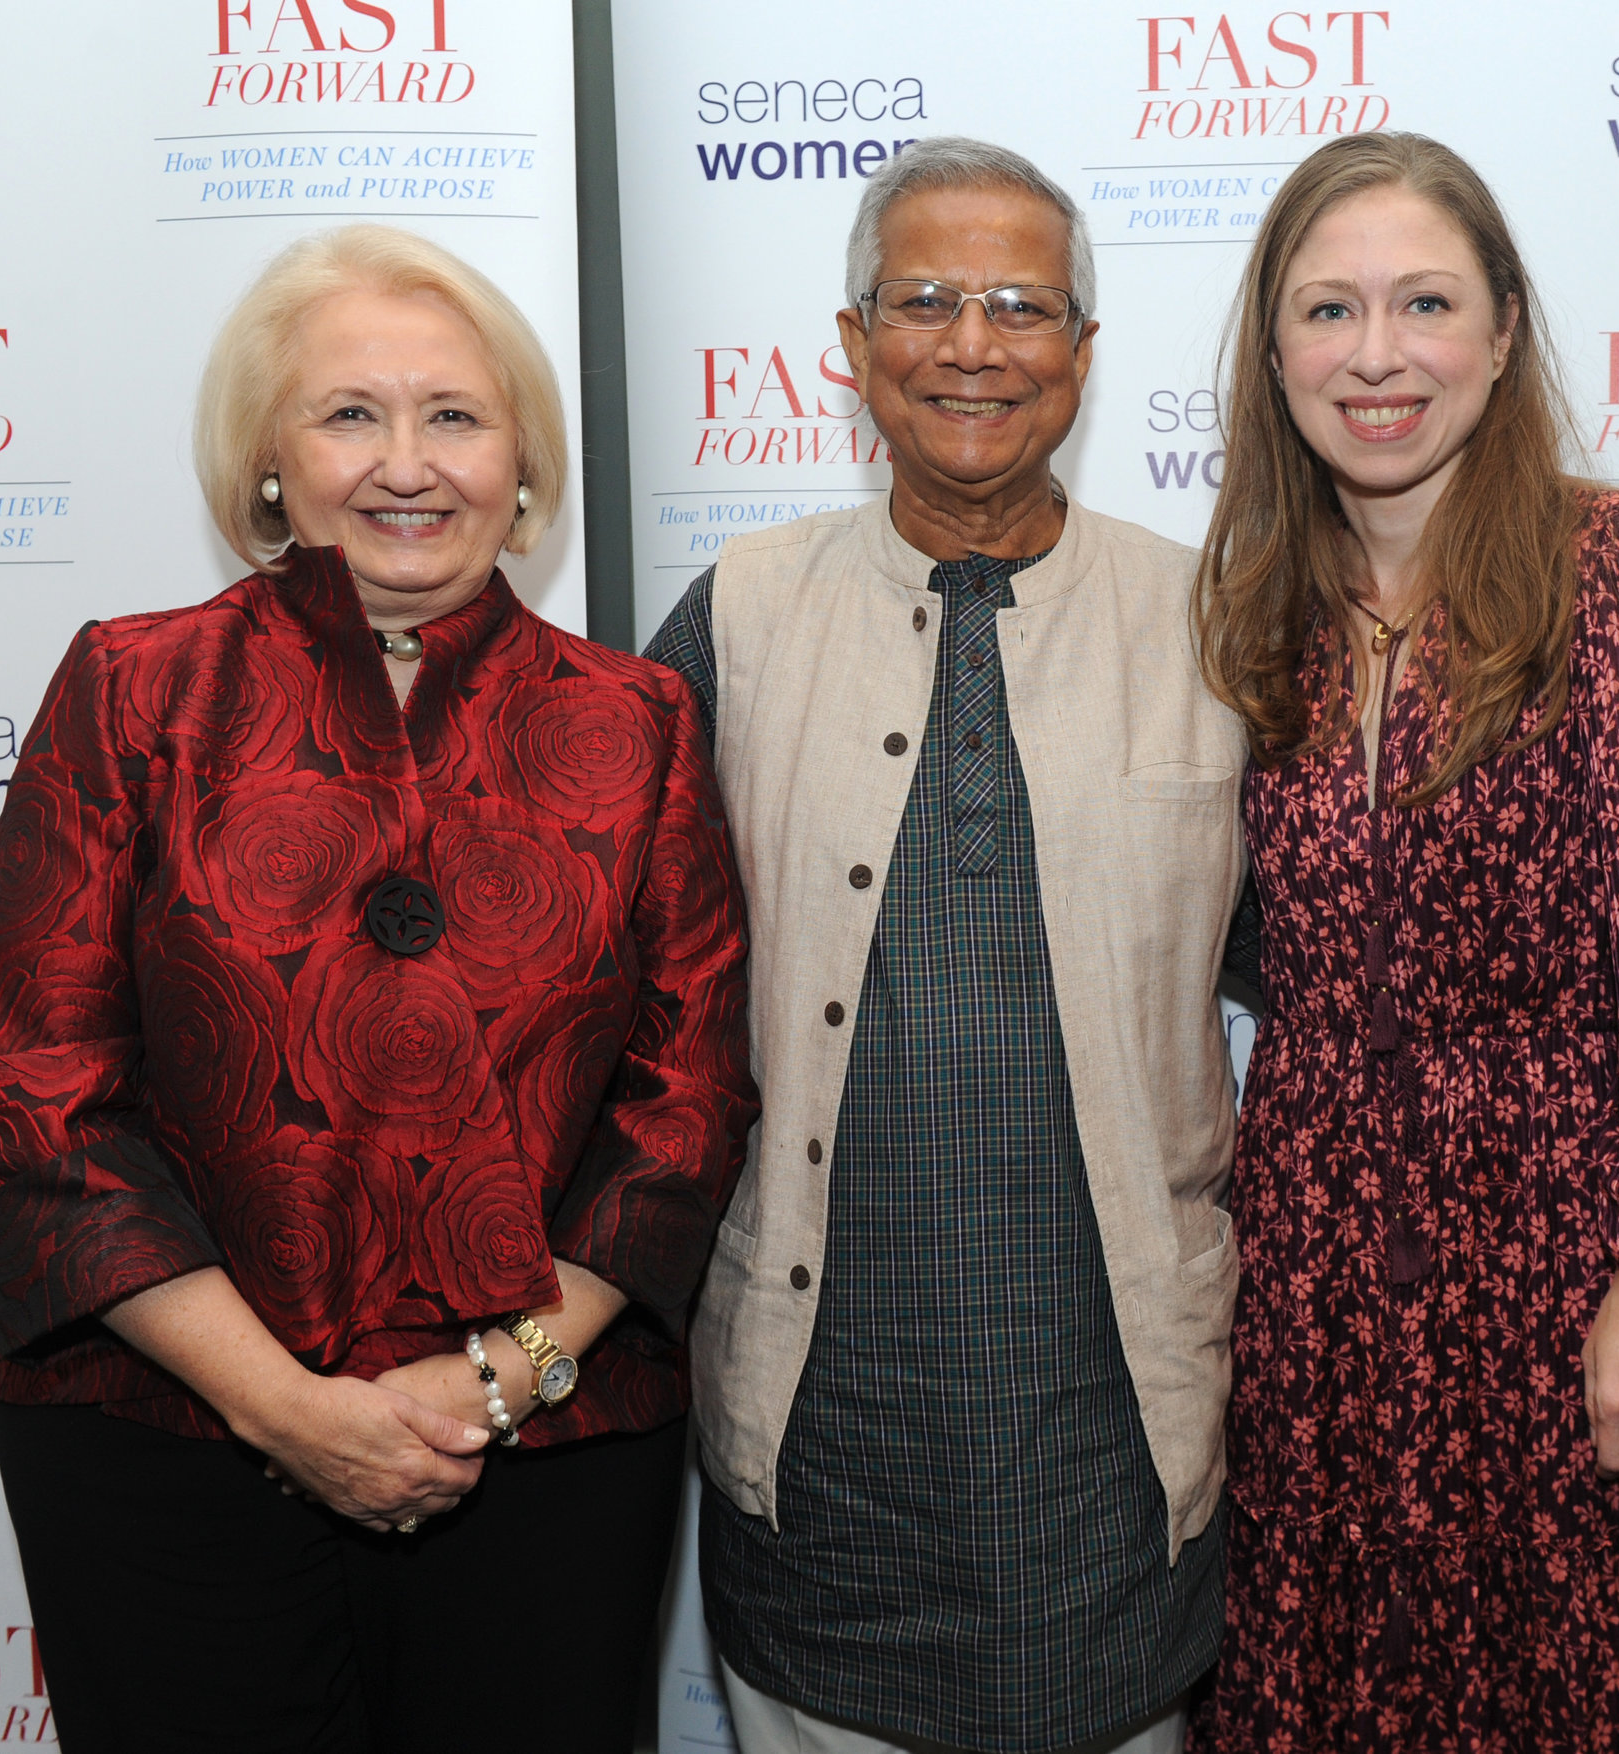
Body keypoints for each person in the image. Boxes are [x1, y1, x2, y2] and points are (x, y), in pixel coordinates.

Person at [0, 223, 757, 1753]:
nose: (407, 462)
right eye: (349, 413)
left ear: (522, 462)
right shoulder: (134, 689)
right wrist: (286, 1406)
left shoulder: (637, 720)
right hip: (169, 1449)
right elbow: (20, 1079)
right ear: (266, 466)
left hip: (546, 1457)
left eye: (454, 414)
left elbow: (687, 1098)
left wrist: (494, 1385)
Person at [644, 138, 1247, 1754]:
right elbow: (608, 978)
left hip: (1108, 1423)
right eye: (922, 300)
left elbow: (1345, 992)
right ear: (849, 345)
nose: (969, 345)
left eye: (1018, 307)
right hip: (824, 1419)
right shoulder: (739, 617)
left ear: (1085, 356)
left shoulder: (1214, 629)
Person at [1187, 133, 1619, 1751]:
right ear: (1275, 349)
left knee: (1575, 1690)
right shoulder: (1254, 613)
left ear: (1505, 328)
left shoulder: (1616, 567)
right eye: (1327, 311)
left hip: (1558, 1269)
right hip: (1311, 1289)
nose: (1376, 356)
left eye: (1425, 303)